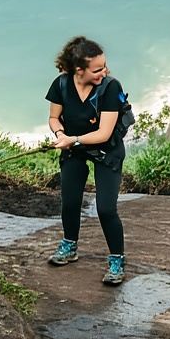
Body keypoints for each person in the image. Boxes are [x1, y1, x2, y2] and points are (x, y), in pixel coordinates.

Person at [45, 36, 126, 285]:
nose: (105, 72)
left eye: (104, 66)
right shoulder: (61, 84)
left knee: (106, 209)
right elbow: (54, 118)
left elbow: (104, 133)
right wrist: (60, 134)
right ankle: (69, 245)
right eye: (97, 69)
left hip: (106, 151)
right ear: (79, 70)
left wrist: (73, 139)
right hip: (74, 148)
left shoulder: (110, 87)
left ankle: (117, 260)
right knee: (70, 201)